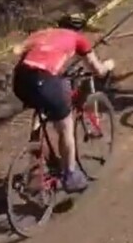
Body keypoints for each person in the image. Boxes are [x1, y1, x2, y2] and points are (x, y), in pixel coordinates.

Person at [11, 15, 114, 193]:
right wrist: (108, 66)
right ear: (79, 29)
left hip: (20, 79)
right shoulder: (77, 38)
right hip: (44, 80)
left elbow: (17, 50)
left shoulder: (41, 33)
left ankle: (36, 155)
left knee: (41, 107)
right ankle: (70, 175)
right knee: (66, 126)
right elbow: (97, 69)